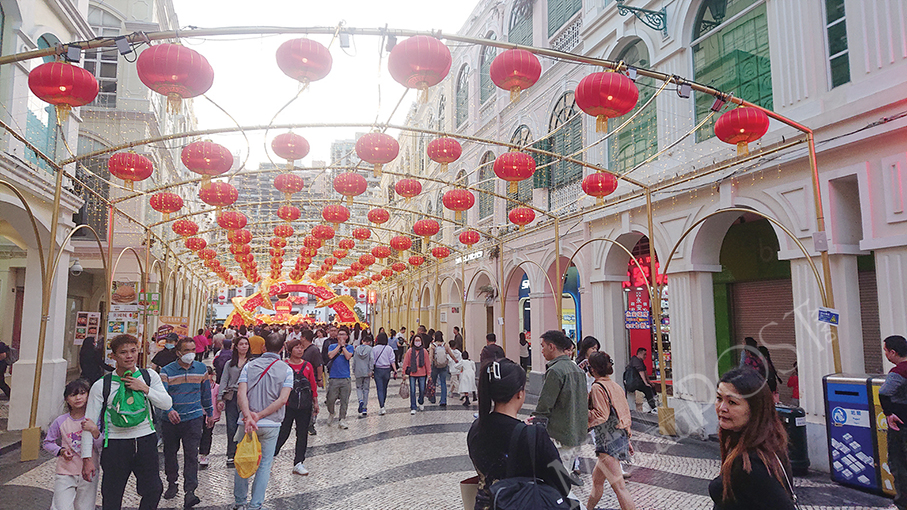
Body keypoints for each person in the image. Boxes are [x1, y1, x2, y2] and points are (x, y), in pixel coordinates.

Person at [467, 358, 579, 510]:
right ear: (520, 393)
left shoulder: (476, 428)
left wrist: (522, 430)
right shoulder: (533, 437)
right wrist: (528, 433)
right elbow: (562, 482)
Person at [80, 334, 173, 510]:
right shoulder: (102, 385)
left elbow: (167, 403)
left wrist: (144, 388)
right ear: (113, 356)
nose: (129, 356)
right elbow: (88, 423)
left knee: (154, 489)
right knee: (112, 497)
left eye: (133, 351)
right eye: (123, 352)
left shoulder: (148, 376)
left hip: (145, 440)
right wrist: (87, 459)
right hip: (116, 444)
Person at [710, 367, 796, 510]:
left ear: (754, 409)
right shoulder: (764, 443)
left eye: (732, 402)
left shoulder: (751, 463)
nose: (722, 408)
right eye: (719, 398)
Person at [232, 332, 293, 510]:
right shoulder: (287, 370)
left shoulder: (249, 366)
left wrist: (248, 416)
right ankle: (255, 504)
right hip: (271, 423)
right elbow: (283, 399)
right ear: (282, 348)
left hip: (246, 423)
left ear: (264, 347)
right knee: (265, 465)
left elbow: (241, 393)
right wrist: (260, 416)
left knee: (242, 459)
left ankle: (240, 502)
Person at [159, 336, 215, 508]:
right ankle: (172, 482)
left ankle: (190, 490)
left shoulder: (201, 369)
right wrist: (169, 410)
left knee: (191, 454)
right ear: (178, 353)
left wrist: (210, 413)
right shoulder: (166, 371)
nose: (190, 353)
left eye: (193, 350)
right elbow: (162, 395)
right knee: (170, 452)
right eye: (186, 351)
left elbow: (206, 393)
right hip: (171, 420)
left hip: (193, 419)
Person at [531, 329, 588, 475]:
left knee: (556, 478)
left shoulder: (555, 371)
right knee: (565, 474)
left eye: (543, 346)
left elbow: (545, 405)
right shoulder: (578, 370)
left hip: (559, 435)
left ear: (552, 347)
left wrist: (535, 424)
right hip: (576, 433)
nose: (542, 351)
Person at [586, 352, 636, 510]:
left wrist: (583, 414)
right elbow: (625, 414)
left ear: (593, 369)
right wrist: (627, 438)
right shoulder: (616, 386)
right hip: (618, 436)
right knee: (597, 481)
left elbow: (601, 415)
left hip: (607, 439)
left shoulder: (597, 387)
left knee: (620, 488)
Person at [44, 379, 101, 510]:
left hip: (89, 471)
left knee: (85, 506)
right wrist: (61, 451)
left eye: (82, 393)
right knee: (61, 506)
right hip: (65, 471)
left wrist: (94, 431)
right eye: (73, 395)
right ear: (66, 399)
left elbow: (101, 444)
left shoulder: (95, 420)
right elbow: (48, 442)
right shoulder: (61, 421)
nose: (78, 398)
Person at [275, 337, 319, 476]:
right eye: (297, 347)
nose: (300, 350)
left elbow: (312, 385)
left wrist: (315, 402)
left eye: (301, 347)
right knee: (283, 432)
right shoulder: (284, 365)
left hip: (304, 405)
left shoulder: (307, 365)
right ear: (290, 350)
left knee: (302, 433)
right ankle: (271, 455)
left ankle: (298, 462)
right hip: (288, 405)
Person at [881, 335, 907, 508]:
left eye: (885, 350)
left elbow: (884, 392)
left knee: (899, 464)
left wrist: (889, 413)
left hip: (901, 425)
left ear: (893, 352)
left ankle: (903, 503)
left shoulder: (899, 372)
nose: (885, 354)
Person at [219, 336, 251, 467]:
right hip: (232, 396)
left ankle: (244, 452)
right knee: (231, 426)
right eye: (241, 344)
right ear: (236, 346)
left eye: (246, 344)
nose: (244, 346)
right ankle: (231, 454)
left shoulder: (252, 363)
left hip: (247, 396)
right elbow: (224, 380)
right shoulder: (229, 363)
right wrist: (220, 398)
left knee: (246, 425)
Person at [325, 327, 354, 429]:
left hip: (345, 377)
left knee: (344, 400)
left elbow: (348, 356)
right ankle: (331, 412)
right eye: (339, 334)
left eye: (343, 334)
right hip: (333, 377)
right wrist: (339, 346)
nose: (341, 336)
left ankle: (342, 419)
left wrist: (343, 347)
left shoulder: (350, 347)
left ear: (347, 336)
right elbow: (330, 355)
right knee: (330, 399)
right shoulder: (332, 346)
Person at [297, 329, 324, 436]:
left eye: (301, 337)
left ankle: (311, 424)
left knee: (312, 402)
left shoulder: (314, 350)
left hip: (310, 381)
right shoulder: (302, 349)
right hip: (300, 381)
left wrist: (319, 379)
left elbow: (319, 365)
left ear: (304, 338)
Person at [199, 366, 220, 469]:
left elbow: (219, 399)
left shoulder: (216, 387)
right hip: (199, 413)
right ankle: (199, 452)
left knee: (207, 434)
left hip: (211, 414)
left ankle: (204, 454)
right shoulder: (198, 386)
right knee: (197, 433)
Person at [402, 334, 430, 415]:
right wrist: (403, 373)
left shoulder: (424, 351)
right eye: (416, 341)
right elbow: (406, 362)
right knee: (412, 391)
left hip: (422, 373)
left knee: (422, 389)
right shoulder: (410, 351)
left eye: (419, 341)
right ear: (413, 342)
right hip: (412, 373)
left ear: (421, 342)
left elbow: (427, 363)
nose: (417, 342)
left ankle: (421, 401)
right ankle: (413, 407)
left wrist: (429, 373)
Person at [626, 347, 658, 413]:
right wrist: (646, 383)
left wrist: (649, 382)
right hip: (634, 383)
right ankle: (653, 407)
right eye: (644, 354)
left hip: (635, 382)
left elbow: (645, 372)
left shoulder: (639, 361)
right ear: (639, 354)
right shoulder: (636, 361)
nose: (645, 356)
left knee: (650, 388)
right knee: (647, 389)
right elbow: (641, 372)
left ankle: (652, 405)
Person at [372, 332, 397, 415]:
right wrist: (395, 370)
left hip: (378, 369)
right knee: (385, 388)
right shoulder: (389, 349)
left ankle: (382, 406)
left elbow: (373, 361)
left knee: (379, 388)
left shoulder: (374, 349)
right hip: (387, 370)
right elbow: (392, 360)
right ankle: (383, 404)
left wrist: (371, 370)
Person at [430, 330, 455, 407]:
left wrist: (429, 366)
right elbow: (451, 354)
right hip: (444, 366)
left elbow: (430, 357)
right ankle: (443, 400)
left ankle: (432, 398)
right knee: (443, 382)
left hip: (435, 366)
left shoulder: (433, 346)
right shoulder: (445, 345)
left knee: (433, 382)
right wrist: (455, 360)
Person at [353, 333, 375, 417]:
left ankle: (360, 400)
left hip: (358, 371)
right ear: (369, 342)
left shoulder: (357, 349)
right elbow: (371, 359)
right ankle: (364, 408)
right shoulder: (370, 349)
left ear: (362, 341)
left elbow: (354, 360)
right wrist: (371, 370)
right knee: (366, 389)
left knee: (358, 387)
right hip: (366, 371)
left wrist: (354, 370)